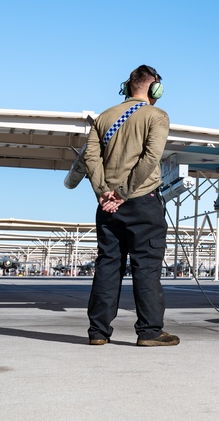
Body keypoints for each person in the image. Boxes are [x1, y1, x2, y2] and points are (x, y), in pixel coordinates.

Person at [83, 64, 179, 347]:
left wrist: (104, 193)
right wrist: (123, 194)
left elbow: (91, 159)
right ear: (154, 89)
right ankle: (149, 332)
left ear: (128, 86)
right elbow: (150, 159)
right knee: (146, 266)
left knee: (108, 266)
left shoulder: (103, 118)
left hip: (107, 206)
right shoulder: (156, 116)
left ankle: (98, 332)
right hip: (142, 202)